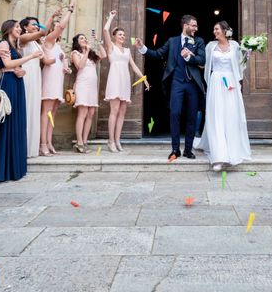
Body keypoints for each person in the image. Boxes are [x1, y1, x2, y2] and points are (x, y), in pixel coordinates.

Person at [0, 20, 43, 184]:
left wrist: (19, 70)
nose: (19, 29)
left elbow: (12, 66)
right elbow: (6, 64)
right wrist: (30, 57)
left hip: (16, 82)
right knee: (5, 123)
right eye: (16, 27)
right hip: (7, 84)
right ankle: (1, 169)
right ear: (8, 29)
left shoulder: (14, 46)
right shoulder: (3, 44)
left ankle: (13, 168)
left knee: (15, 124)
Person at [135, 14, 205, 160]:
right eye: (193, 25)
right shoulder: (172, 41)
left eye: (196, 26)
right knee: (174, 114)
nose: (196, 28)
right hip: (177, 83)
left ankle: (188, 150)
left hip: (193, 84)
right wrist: (142, 48)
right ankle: (175, 149)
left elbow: (202, 59)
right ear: (185, 25)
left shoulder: (199, 41)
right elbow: (157, 53)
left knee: (192, 117)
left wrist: (188, 57)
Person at [196, 21, 250, 171]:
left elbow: (242, 64)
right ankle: (219, 157)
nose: (215, 31)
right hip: (216, 82)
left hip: (231, 83)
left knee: (231, 116)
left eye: (217, 29)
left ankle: (232, 152)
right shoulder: (210, 46)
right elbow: (203, 64)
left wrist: (248, 52)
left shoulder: (236, 46)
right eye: (214, 29)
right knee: (217, 116)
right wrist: (190, 56)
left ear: (225, 30)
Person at [104, 10, 149, 152]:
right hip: (114, 79)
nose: (122, 36)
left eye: (124, 35)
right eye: (120, 34)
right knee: (114, 110)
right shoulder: (111, 47)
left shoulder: (127, 51)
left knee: (122, 112)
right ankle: (110, 141)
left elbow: (134, 66)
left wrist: (144, 78)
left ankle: (117, 140)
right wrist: (111, 17)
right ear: (114, 37)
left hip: (125, 80)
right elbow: (105, 29)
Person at [40, 5, 74, 156]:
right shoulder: (47, 41)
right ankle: (42, 144)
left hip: (57, 80)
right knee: (46, 111)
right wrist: (70, 11)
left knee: (53, 112)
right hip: (49, 79)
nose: (57, 31)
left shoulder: (59, 47)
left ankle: (49, 141)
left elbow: (61, 63)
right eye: (54, 29)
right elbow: (60, 27)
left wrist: (66, 69)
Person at [19, 13, 55, 157]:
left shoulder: (36, 43)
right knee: (27, 107)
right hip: (27, 74)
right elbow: (43, 31)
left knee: (34, 108)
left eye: (37, 24)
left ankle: (31, 147)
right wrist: (51, 17)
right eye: (33, 24)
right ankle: (23, 146)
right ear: (25, 27)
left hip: (36, 75)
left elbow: (46, 61)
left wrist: (58, 61)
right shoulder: (23, 38)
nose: (36, 26)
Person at [71, 32, 107, 153]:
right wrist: (86, 51)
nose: (84, 39)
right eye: (82, 38)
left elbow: (104, 55)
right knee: (83, 112)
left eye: (85, 38)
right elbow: (80, 66)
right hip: (82, 85)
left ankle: (84, 141)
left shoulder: (91, 56)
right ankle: (79, 142)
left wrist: (97, 42)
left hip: (92, 87)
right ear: (77, 42)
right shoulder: (75, 53)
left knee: (91, 113)